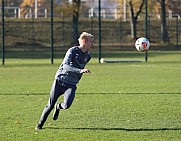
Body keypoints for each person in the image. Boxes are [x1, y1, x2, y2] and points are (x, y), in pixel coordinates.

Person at [35, 32, 93, 130]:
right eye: (91, 42)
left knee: (66, 105)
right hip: (59, 81)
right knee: (50, 105)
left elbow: (79, 67)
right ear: (85, 41)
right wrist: (80, 71)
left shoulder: (88, 56)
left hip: (71, 85)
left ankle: (58, 107)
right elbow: (66, 66)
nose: (93, 44)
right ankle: (39, 125)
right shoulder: (72, 51)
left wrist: (78, 74)